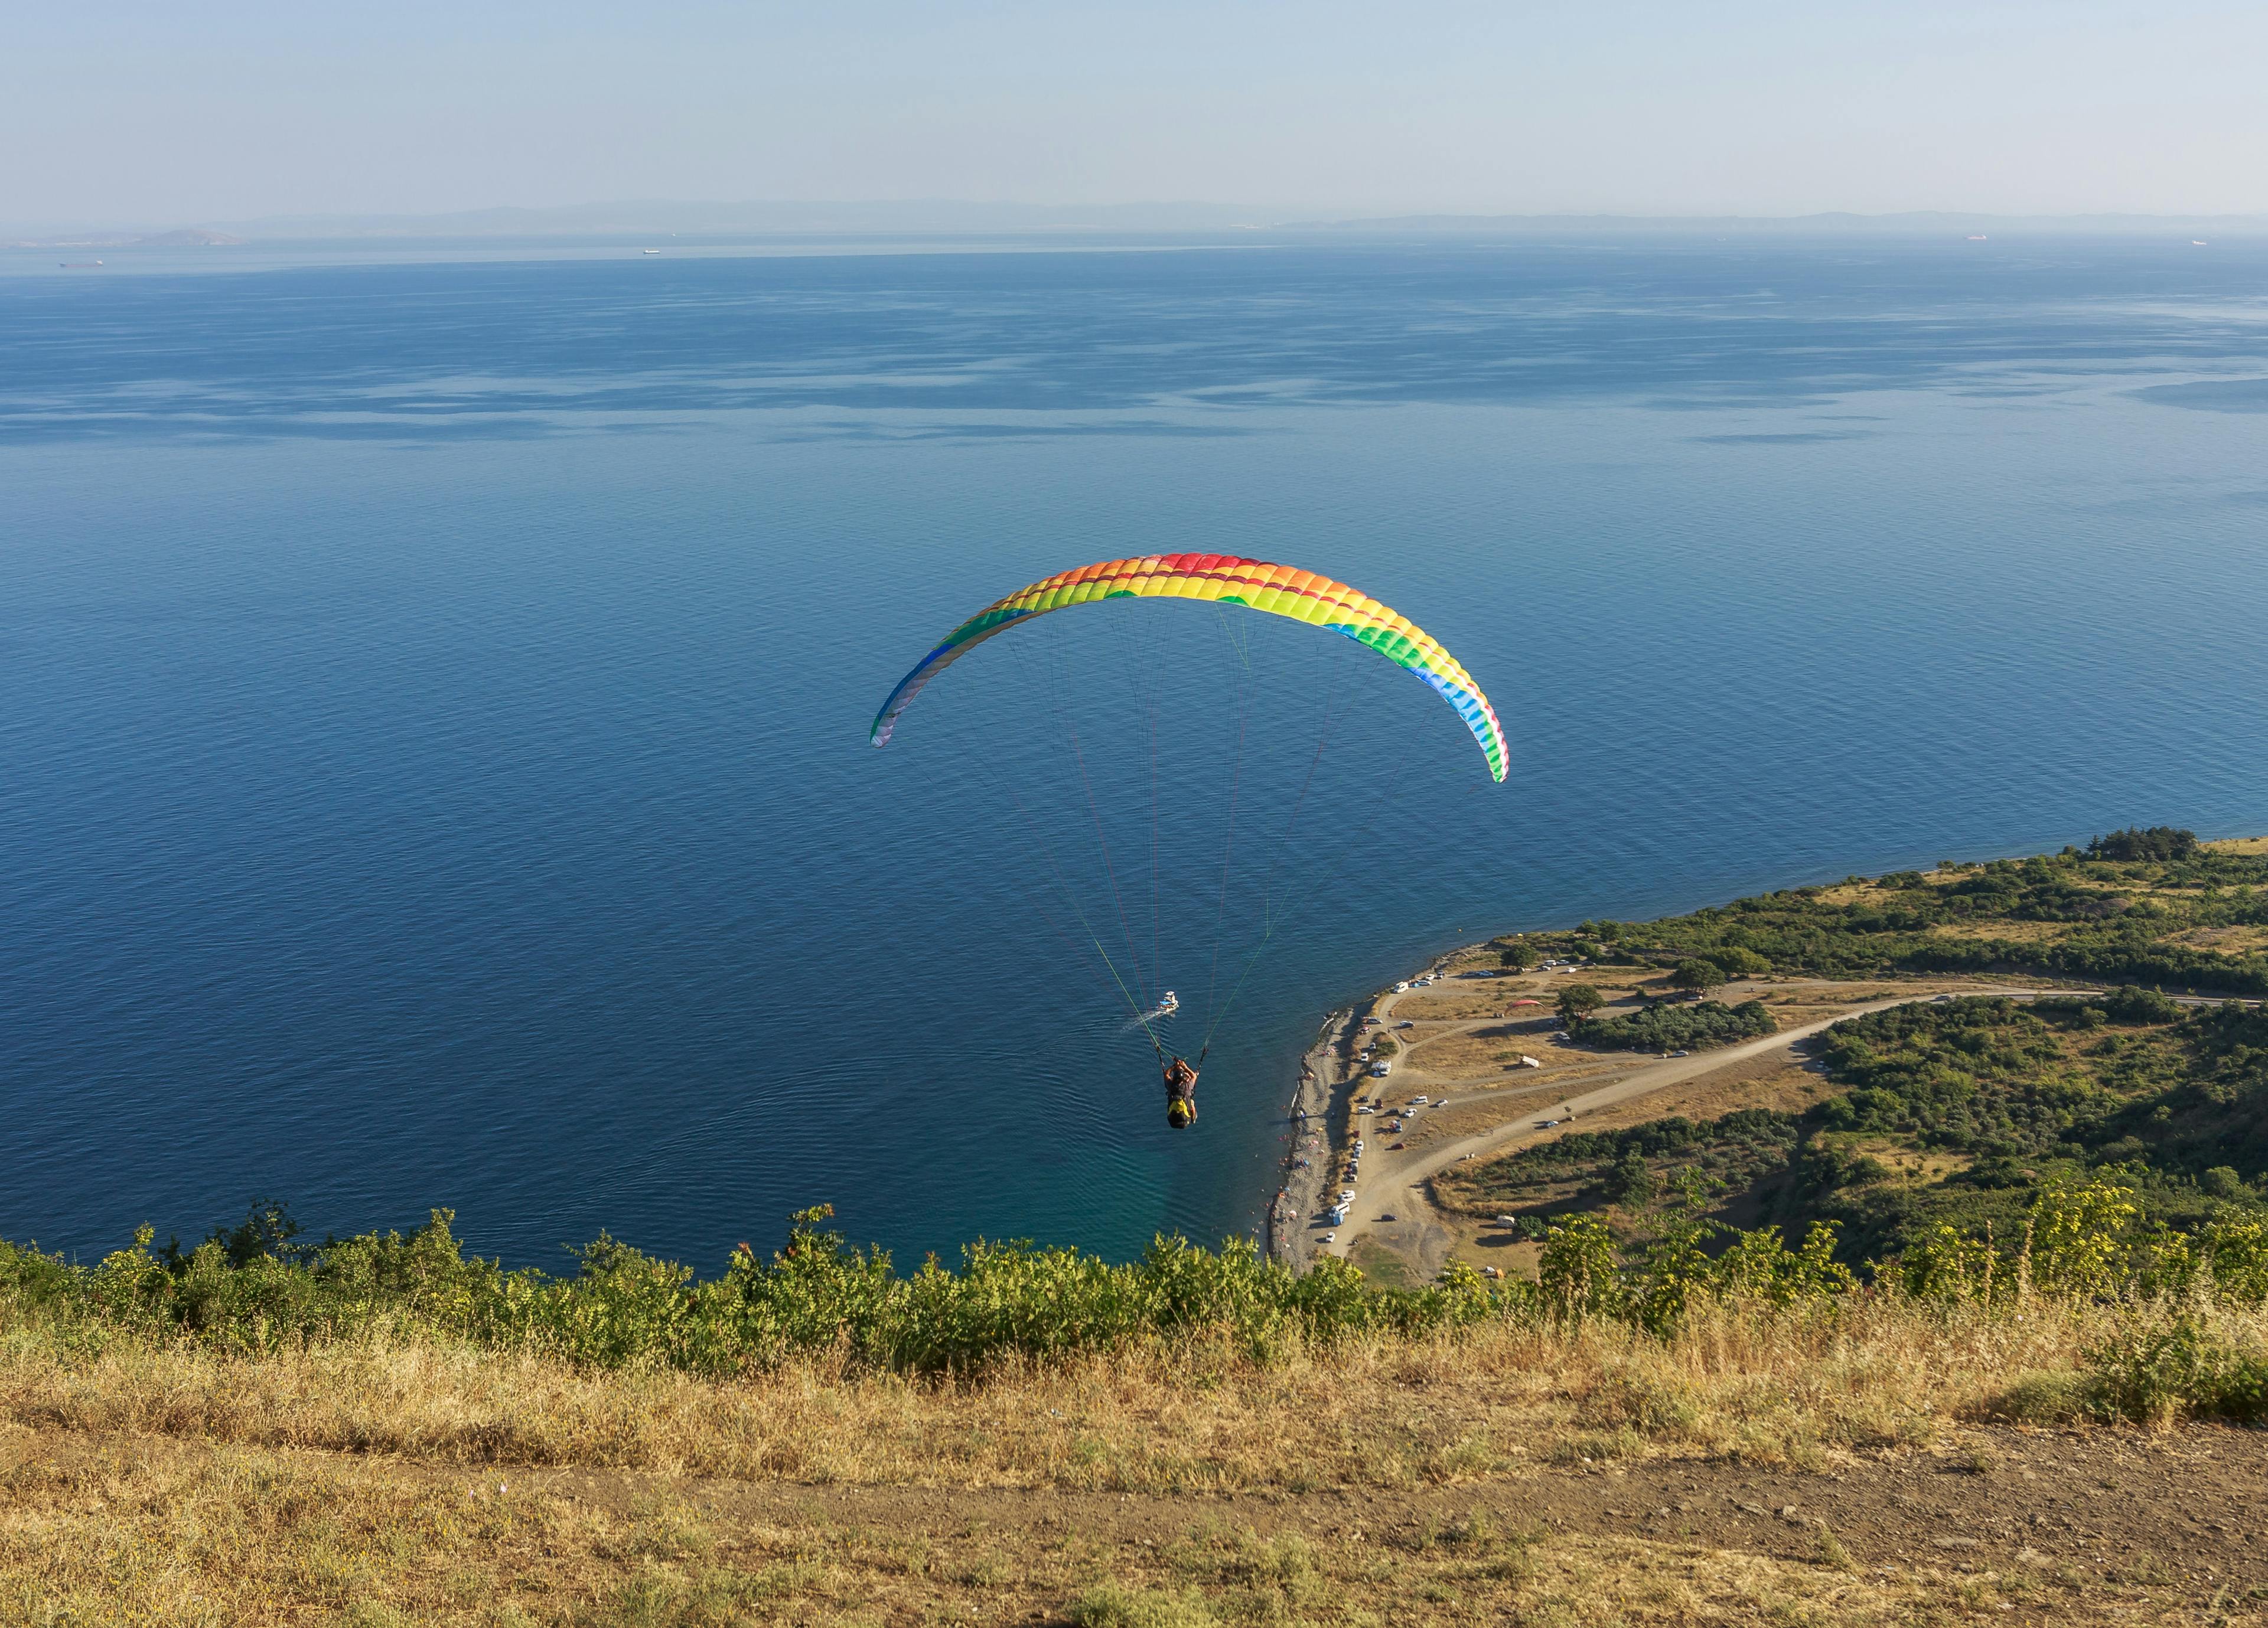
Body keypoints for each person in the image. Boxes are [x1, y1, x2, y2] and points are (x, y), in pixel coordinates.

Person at [1162, 1055, 1199, 1128]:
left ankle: (1191, 1118)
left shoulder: (1171, 1085)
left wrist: (1174, 1066)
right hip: (1184, 1120)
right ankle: (1193, 1119)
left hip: (1172, 1121)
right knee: (1192, 1105)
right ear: (1183, 1078)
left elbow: (1166, 1074)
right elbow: (1194, 1077)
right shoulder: (1187, 1086)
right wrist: (1185, 1068)